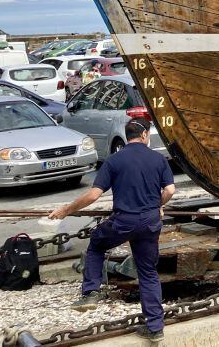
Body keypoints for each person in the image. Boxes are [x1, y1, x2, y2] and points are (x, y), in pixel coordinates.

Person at [49, 118, 175, 343]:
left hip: (124, 221)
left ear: (128, 136)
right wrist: (157, 205)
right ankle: (155, 328)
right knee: (148, 272)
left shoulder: (114, 161)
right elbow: (170, 190)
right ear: (145, 135)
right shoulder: (158, 158)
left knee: (96, 244)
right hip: (150, 221)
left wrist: (66, 210)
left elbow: (93, 195)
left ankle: (91, 292)